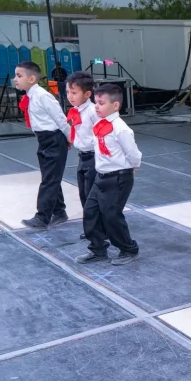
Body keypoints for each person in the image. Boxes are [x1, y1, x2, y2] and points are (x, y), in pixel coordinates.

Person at [76, 84, 141, 266]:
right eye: (96, 102)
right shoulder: (99, 124)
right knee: (91, 212)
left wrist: (133, 166)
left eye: (101, 103)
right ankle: (97, 249)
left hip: (118, 177)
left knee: (111, 215)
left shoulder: (121, 128)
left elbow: (133, 153)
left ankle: (128, 249)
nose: (96, 106)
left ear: (115, 105)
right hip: (101, 176)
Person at [14, 61, 72, 230]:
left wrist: (69, 138)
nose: (15, 79)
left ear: (32, 79)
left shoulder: (42, 96)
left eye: (19, 76)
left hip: (54, 138)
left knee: (49, 180)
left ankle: (42, 217)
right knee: (50, 177)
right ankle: (59, 211)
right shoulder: (31, 96)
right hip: (44, 139)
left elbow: (60, 119)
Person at [65, 71, 101, 240]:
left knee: (93, 196)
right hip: (83, 156)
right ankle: (91, 228)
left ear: (87, 94)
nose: (70, 96)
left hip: (94, 156)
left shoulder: (93, 111)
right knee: (84, 194)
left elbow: (101, 134)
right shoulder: (76, 110)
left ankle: (99, 230)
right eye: (68, 92)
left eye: (74, 92)